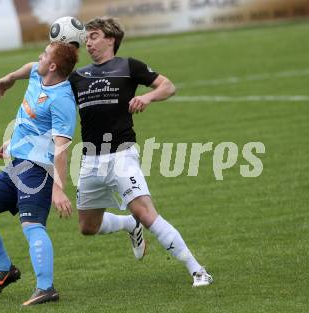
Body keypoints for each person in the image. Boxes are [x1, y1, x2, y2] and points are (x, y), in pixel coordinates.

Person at [68, 17, 213, 287]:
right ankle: (127, 225)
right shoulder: (78, 77)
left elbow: (168, 86)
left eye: (95, 36)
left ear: (111, 39)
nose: (89, 42)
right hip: (89, 159)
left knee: (146, 213)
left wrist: (146, 97)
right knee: (88, 227)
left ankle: (198, 270)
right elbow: (50, 106)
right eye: (87, 38)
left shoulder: (128, 66)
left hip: (122, 155)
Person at [0, 42, 78, 306]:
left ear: (53, 66)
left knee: (33, 227)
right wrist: (10, 77)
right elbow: (28, 68)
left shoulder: (62, 102)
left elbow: (61, 149)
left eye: (45, 54)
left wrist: (58, 188)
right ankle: (6, 270)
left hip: (38, 172)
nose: (39, 56)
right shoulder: (39, 73)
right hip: (16, 166)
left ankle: (46, 289)